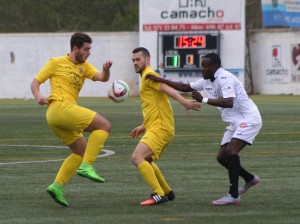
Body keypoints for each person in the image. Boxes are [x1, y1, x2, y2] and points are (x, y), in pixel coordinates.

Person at [146, 52, 262, 206]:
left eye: (206, 66)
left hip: (249, 118)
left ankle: (234, 196)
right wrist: (161, 80)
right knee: (222, 157)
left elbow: (229, 102)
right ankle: (249, 179)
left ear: (215, 67)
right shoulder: (207, 80)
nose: (202, 69)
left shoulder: (225, 78)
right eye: (202, 65)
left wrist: (204, 100)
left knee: (231, 151)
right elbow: (186, 87)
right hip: (235, 122)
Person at [31, 32, 113, 207]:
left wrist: (106, 70)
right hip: (60, 108)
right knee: (104, 125)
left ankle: (56, 186)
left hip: (56, 117)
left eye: (90, 49)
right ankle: (87, 166)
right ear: (75, 48)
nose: (89, 52)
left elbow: (102, 78)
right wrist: (38, 95)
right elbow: (35, 82)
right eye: (86, 49)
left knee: (81, 152)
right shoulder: (55, 62)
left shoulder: (85, 66)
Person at [130, 47, 201, 206]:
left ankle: (158, 194)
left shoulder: (149, 75)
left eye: (138, 59)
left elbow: (167, 89)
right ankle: (167, 192)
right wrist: (144, 126)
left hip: (161, 128)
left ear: (147, 60)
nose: (135, 63)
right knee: (145, 159)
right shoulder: (146, 77)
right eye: (133, 60)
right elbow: (155, 104)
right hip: (158, 126)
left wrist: (184, 102)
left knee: (137, 157)